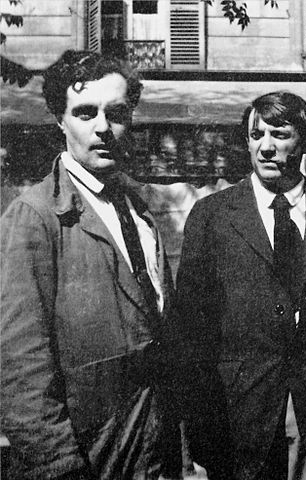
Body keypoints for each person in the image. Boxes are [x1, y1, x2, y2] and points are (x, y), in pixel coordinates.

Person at [1, 50, 180, 480]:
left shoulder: (138, 209)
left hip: (151, 451)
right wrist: (61, 468)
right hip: (87, 458)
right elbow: (20, 370)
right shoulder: (35, 216)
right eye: (85, 112)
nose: (103, 127)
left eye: (116, 113)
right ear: (59, 120)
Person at [173, 91, 306, 480]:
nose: (266, 147)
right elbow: (191, 330)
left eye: (279, 134)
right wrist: (199, 427)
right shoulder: (211, 217)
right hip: (235, 419)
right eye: (256, 136)